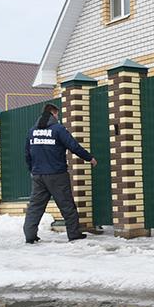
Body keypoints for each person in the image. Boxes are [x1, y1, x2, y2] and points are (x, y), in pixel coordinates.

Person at [23, 103, 97, 243]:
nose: (58, 116)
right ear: (53, 113)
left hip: (38, 175)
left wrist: (32, 170)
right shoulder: (58, 129)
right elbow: (73, 145)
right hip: (57, 174)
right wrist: (89, 158)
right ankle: (74, 234)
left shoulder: (32, 131)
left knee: (35, 207)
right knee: (67, 205)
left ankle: (30, 236)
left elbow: (27, 154)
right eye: (57, 114)